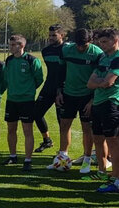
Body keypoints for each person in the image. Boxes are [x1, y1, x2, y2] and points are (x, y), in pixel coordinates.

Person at [47, 28, 103, 174]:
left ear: (90, 41)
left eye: (83, 45)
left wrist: (92, 100)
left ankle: (86, 159)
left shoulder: (97, 54)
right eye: (77, 44)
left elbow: (100, 78)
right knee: (64, 125)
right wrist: (59, 92)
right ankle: (62, 156)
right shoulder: (67, 50)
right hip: (68, 94)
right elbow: (60, 72)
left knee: (86, 128)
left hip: (86, 96)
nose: (79, 47)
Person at [2, 34, 44, 171]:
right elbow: (7, 78)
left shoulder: (32, 60)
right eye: (10, 45)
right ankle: (13, 156)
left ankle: (27, 160)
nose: (10, 47)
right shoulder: (8, 60)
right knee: (11, 129)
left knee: (27, 130)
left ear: (22, 46)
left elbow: (39, 79)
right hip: (11, 100)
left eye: (13, 45)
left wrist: (28, 90)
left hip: (27, 101)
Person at [87, 28, 119, 191]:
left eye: (105, 42)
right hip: (98, 102)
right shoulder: (103, 58)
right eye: (100, 42)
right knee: (98, 139)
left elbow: (108, 82)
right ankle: (102, 171)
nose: (101, 45)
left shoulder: (117, 58)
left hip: (111, 103)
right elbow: (90, 83)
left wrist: (101, 82)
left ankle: (116, 179)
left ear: (115, 41)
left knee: (113, 142)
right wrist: (102, 82)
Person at [33, 24, 66, 153]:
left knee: (62, 121)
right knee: (36, 113)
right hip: (48, 87)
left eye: (54, 35)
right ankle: (47, 140)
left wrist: (61, 89)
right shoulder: (45, 51)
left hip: (63, 90)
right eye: (50, 35)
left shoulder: (67, 50)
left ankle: (63, 151)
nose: (51, 38)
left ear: (62, 35)